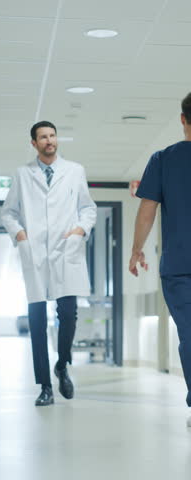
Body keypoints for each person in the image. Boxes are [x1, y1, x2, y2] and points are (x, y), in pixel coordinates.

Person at [2, 120, 97, 406]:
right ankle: (45, 385)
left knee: (68, 315)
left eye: (52, 135)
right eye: (43, 137)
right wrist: (20, 234)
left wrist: (80, 229)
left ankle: (62, 364)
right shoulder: (22, 174)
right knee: (37, 321)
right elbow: (8, 212)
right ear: (34, 143)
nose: (49, 140)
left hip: (65, 252)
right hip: (35, 255)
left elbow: (88, 208)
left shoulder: (74, 171)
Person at [129, 92, 191, 425]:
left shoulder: (163, 159)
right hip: (179, 268)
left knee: (190, 336)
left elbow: (146, 211)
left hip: (179, 268)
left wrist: (137, 249)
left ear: (182, 119)